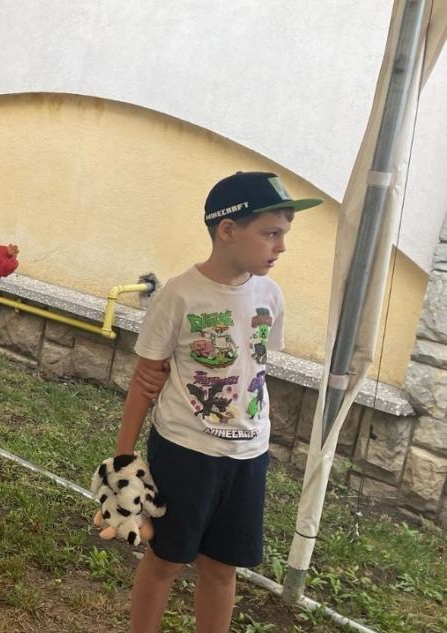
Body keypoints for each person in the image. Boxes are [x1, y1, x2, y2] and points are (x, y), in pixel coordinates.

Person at [114, 171, 321, 633]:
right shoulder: (180, 294)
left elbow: (254, 363)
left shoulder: (270, 295)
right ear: (228, 229)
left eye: (284, 234)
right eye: (271, 233)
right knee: (165, 559)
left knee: (223, 568)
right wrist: (123, 460)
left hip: (248, 456)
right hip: (186, 453)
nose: (281, 247)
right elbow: (146, 380)